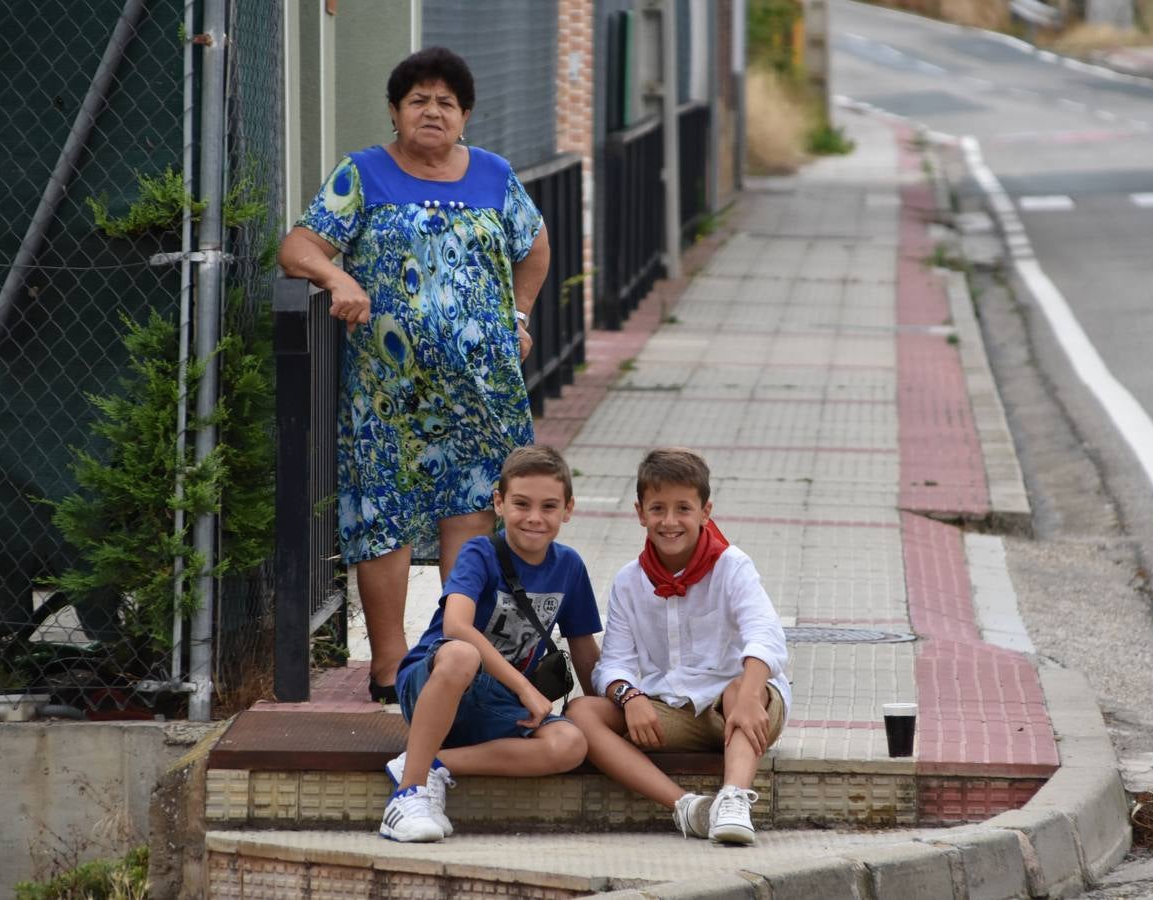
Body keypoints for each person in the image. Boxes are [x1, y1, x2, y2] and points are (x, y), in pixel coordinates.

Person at [277, 47, 551, 703]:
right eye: (419, 100)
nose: (433, 112)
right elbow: (298, 246)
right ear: (397, 111)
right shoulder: (364, 173)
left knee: (470, 516)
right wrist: (337, 275)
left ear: (465, 116)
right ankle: (389, 663)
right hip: (386, 393)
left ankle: (454, 650)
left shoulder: (493, 175)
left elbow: (535, 246)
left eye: (447, 102)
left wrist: (517, 313)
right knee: (382, 520)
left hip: (480, 392)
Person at [566, 448, 790, 845]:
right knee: (581, 711)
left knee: (739, 688)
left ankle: (734, 799)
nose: (670, 522)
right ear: (640, 513)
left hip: (742, 707)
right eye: (657, 509)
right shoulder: (628, 581)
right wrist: (629, 695)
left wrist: (753, 692)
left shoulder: (732, 565)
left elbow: (765, 634)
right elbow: (612, 663)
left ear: (705, 511)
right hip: (670, 711)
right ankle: (688, 807)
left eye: (683, 508)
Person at [379, 445, 601, 842]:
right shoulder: (480, 552)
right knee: (462, 653)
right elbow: (456, 626)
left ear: (568, 509)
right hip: (436, 682)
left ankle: (430, 764)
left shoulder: (569, 566)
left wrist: (610, 714)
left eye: (549, 506)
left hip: (497, 703)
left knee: (570, 744)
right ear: (499, 503)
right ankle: (407, 794)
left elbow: (584, 651)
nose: (535, 517)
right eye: (521, 504)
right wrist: (525, 688)